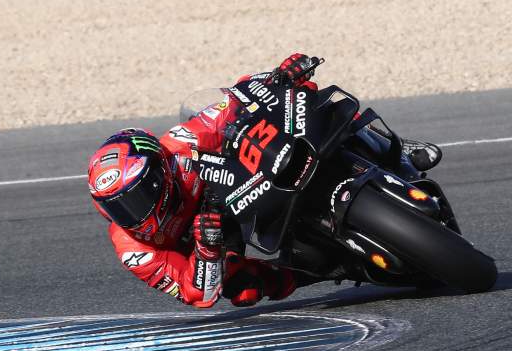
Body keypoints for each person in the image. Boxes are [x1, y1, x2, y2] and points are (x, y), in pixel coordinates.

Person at [87, 54, 442, 308]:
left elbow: (232, 103)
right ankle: (334, 264)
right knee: (243, 289)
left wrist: (276, 78)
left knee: (304, 107)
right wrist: (208, 249)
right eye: (118, 207)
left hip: (242, 181)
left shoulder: (181, 144)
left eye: (137, 196)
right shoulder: (133, 250)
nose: (133, 213)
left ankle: (394, 150)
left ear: (160, 171)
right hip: (215, 242)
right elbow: (197, 295)